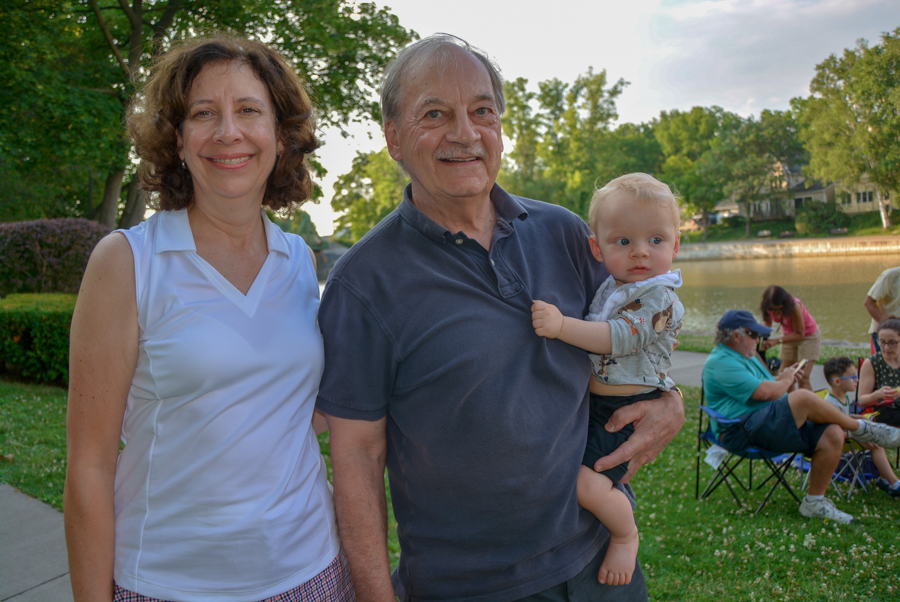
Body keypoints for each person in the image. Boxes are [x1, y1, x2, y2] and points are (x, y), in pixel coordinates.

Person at [315, 34, 684, 602]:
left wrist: (670, 400)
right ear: (393, 138)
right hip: (470, 587)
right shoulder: (364, 284)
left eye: (482, 111)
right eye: (434, 114)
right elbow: (358, 459)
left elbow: (635, 328)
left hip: (600, 563)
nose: (465, 133)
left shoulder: (565, 233)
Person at [64, 37, 352, 602]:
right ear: (177, 138)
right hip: (168, 584)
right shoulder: (128, 262)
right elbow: (89, 467)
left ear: (280, 133)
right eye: (203, 114)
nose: (228, 132)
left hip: (311, 573)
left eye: (249, 110)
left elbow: (287, 406)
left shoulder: (298, 259)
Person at [531, 173, 683, 586]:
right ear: (597, 249)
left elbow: (619, 337)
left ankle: (625, 534)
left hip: (626, 408)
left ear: (675, 246)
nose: (640, 252)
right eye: (623, 241)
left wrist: (561, 326)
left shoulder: (659, 297)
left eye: (656, 240)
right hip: (598, 404)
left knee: (588, 484)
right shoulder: (615, 288)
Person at [702, 310, 900, 524]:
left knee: (833, 432)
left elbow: (768, 387)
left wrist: (783, 378)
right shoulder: (721, 361)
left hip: (763, 424)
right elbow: (766, 393)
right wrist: (786, 380)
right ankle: (862, 428)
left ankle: (814, 503)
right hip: (738, 431)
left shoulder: (745, 356)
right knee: (803, 397)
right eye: (754, 335)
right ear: (736, 335)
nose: (758, 340)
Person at [823, 356, 900, 497]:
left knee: (875, 436)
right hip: (839, 440)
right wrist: (859, 437)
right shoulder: (831, 404)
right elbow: (833, 431)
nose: (857, 380)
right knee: (876, 442)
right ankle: (893, 483)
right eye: (852, 377)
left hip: (848, 434)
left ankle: (886, 479)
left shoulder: (843, 396)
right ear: (837, 381)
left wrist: (858, 418)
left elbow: (844, 417)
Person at [758, 285, 821, 391]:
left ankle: (808, 401)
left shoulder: (794, 306)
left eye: (779, 309)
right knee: (785, 375)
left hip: (808, 337)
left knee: (802, 377)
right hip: (789, 336)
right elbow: (767, 322)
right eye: (772, 310)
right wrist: (761, 338)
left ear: (785, 304)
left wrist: (776, 341)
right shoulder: (766, 304)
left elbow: (800, 333)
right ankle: (791, 400)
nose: (775, 313)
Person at [858, 317, 900, 427]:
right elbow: (862, 400)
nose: (886, 348)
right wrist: (878, 394)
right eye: (882, 342)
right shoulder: (872, 363)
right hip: (886, 413)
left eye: (892, 343)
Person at [865, 267, 900, 354]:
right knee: (885, 362)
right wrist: (886, 325)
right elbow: (869, 302)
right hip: (885, 334)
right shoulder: (889, 276)